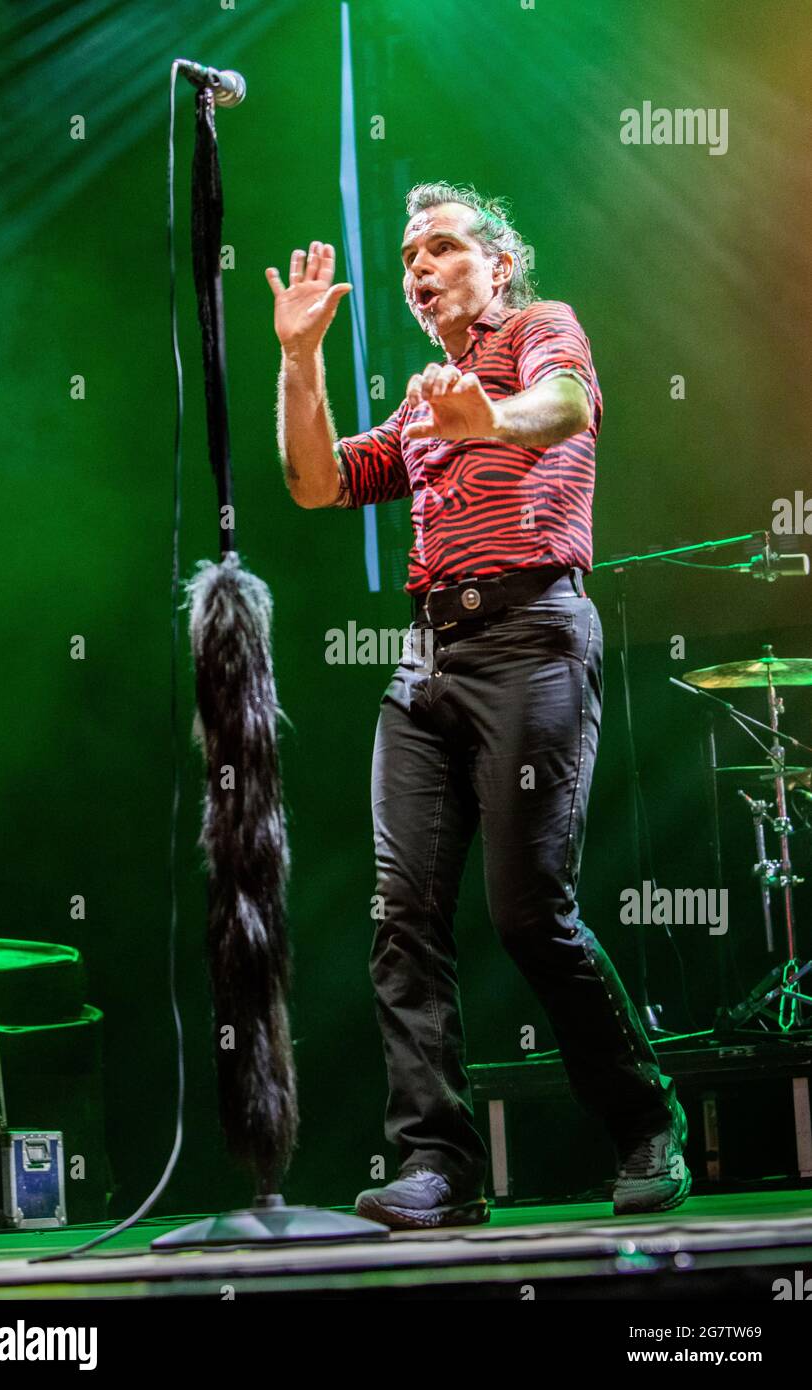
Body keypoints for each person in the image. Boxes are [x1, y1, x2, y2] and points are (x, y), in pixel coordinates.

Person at [265, 180, 691, 1229]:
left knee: (524, 910)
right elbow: (314, 481)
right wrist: (298, 359)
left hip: (531, 633)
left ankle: (643, 1120)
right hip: (427, 663)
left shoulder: (539, 331)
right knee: (398, 915)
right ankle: (437, 1164)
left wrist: (487, 415)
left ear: (497, 264)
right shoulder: (419, 399)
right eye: (409, 254)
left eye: (443, 246)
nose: (420, 265)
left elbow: (566, 408)